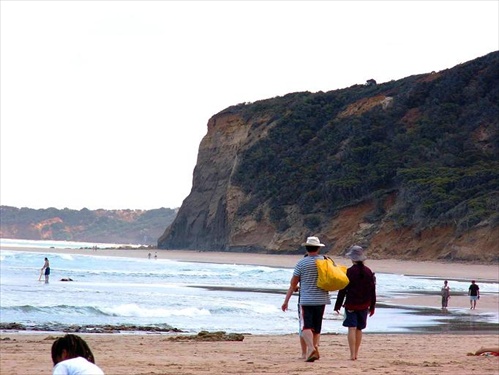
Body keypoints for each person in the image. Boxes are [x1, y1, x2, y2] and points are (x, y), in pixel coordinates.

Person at [282, 236, 330, 362]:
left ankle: (312, 348)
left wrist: (287, 299)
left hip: (307, 299)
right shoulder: (325, 261)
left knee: (305, 327)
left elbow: (293, 283)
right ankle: (311, 351)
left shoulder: (302, 263)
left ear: (306, 248)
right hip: (322, 298)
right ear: (318, 248)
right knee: (317, 327)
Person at [334, 245, 376, 361]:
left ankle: (352, 354)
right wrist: (372, 306)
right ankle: (356, 353)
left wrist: (337, 305)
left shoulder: (349, 272)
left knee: (351, 328)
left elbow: (343, 290)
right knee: (359, 329)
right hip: (364, 304)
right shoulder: (369, 272)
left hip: (351, 304)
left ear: (352, 258)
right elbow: (372, 290)